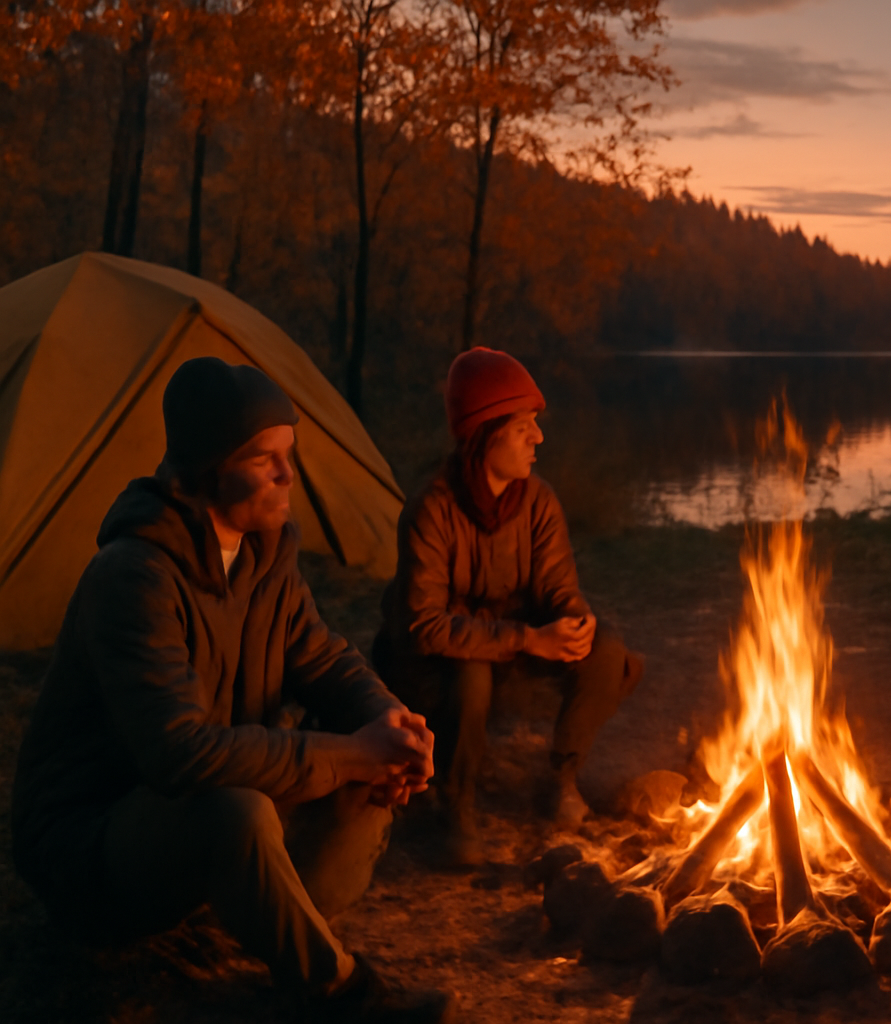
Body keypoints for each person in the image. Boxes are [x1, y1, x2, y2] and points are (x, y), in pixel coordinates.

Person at [10, 357, 454, 1022]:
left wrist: (390, 722)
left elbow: (321, 657)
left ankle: (268, 907)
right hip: (93, 846)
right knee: (237, 808)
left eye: (288, 455)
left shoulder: (263, 554)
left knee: (364, 753)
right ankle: (339, 994)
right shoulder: (134, 577)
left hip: (195, 809)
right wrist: (351, 755)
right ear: (207, 469)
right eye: (264, 459)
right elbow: (182, 754)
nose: (287, 475)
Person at [373, 347, 643, 865]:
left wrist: (575, 622)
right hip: (429, 663)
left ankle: (560, 778)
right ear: (484, 435)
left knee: (607, 649)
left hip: (512, 645)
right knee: (471, 672)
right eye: (523, 428)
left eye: (534, 426)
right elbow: (423, 626)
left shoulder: (537, 501)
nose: (537, 438)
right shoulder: (432, 507)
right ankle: (456, 806)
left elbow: (559, 586)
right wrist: (528, 639)